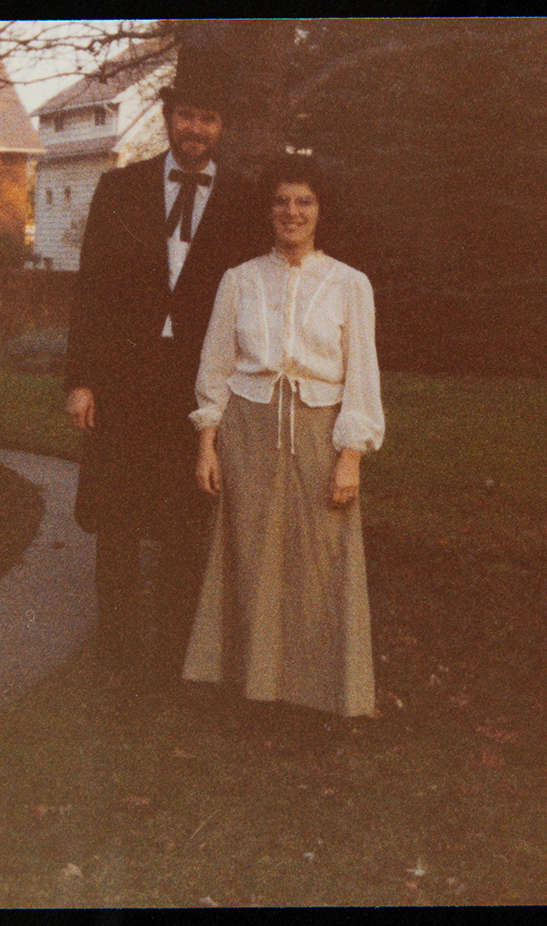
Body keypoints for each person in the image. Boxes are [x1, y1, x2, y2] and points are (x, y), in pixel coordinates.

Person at [64, 46, 263, 685]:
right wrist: (81, 379)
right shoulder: (120, 188)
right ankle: (118, 657)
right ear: (169, 116)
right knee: (117, 521)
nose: (196, 130)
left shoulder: (245, 202)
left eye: (208, 119)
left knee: (184, 523)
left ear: (221, 127)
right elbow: (90, 286)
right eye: (186, 116)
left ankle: (177, 657)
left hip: (199, 384)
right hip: (125, 379)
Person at [182, 154, 385, 718]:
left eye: (304, 201)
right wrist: (207, 442)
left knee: (321, 556)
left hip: (321, 432)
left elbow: (361, 374)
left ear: (321, 211)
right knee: (250, 555)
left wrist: (351, 456)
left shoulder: (350, 284)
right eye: (281, 201)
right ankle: (252, 688)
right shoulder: (240, 280)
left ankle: (319, 692)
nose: (291, 212)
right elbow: (216, 366)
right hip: (248, 431)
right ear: (267, 210)